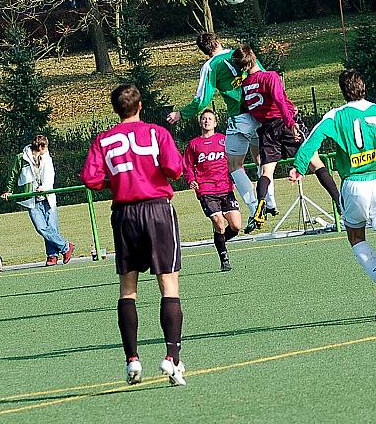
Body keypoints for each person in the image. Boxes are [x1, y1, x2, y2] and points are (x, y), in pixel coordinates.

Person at [81, 84, 186, 386]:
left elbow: (90, 178)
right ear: (140, 106)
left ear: (116, 110)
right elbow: (174, 169)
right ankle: (172, 358)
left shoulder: (104, 139)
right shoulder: (157, 133)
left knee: (128, 289)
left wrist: (115, 182)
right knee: (168, 283)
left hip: (125, 214)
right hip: (157, 209)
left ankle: (132, 361)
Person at [290, 69, 376, 320]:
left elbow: (310, 143)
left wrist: (298, 168)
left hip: (354, 184)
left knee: (356, 237)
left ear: (343, 91)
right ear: (364, 87)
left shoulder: (336, 116)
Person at [166, 32, 278, 220]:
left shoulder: (211, 66)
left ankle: (254, 209)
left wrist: (181, 114)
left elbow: (202, 100)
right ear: (218, 41)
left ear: (203, 51)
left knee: (234, 165)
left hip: (241, 117)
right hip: (260, 113)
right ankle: (270, 202)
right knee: (260, 159)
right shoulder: (240, 53)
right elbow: (263, 75)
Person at [232, 44, 341, 233]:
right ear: (255, 57)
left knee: (266, 172)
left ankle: (261, 205)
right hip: (284, 124)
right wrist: (290, 121)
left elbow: (248, 109)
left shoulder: (245, 85)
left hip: (266, 130)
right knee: (315, 163)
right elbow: (279, 100)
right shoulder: (270, 76)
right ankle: (340, 203)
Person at [1, 135, 74, 266]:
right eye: (45, 147)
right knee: (41, 227)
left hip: (47, 196)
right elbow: (13, 175)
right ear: (40, 147)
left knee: (51, 228)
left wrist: (44, 188)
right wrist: (8, 190)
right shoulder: (21, 158)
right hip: (31, 198)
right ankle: (66, 246)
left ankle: (52, 256)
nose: (47, 149)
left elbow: (50, 175)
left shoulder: (47, 158)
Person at [183, 109, 241, 272]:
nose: (206, 121)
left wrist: (236, 179)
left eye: (210, 119)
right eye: (204, 119)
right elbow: (187, 166)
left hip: (225, 188)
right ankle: (224, 258)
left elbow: (234, 161)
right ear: (200, 122)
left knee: (236, 226)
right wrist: (191, 180)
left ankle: (219, 240)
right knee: (219, 223)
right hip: (206, 189)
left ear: (215, 123)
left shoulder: (224, 140)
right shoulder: (193, 144)